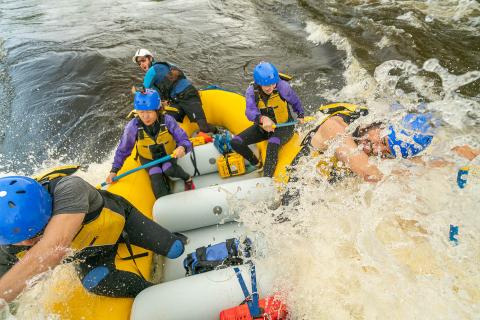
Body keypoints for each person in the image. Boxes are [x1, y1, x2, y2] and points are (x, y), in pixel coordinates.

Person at [0, 168, 187, 302]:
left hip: (123, 225)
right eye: (19, 241)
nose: (26, 243)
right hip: (91, 254)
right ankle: (153, 293)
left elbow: (53, 248)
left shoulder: (69, 189)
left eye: (34, 236)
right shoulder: (7, 243)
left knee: (175, 248)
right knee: (95, 283)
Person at [292, 103, 435, 183]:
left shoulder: (372, 145)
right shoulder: (335, 126)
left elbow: (412, 164)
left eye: (387, 153)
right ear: (382, 124)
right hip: (292, 177)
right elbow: (368, 172)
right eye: (383, 140)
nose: (377, 149)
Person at [107, 89, 195, 199]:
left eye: (149, 112)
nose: (145, 117)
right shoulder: (132, 127)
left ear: (157, 110)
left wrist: (182, 147)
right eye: (141, 112)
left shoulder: (168, 121)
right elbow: (123, 149)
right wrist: (114, 170)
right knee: (156, 179)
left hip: (168, 155)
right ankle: (166, 201)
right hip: (148, 159)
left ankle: (187, 179)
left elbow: (184, 140)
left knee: (169, 169)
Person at [230, 62, 305, 177]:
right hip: (263, 128)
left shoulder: (283, 87)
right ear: (259, 83)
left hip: (284, 127)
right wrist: (262, 119)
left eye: (273, 84)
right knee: (236, 142)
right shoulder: (251, 92)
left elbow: (295, 102)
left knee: (272, 144)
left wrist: (300, 115)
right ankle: (257, 164)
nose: (271, 87)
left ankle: (266, 179)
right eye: (267, 85)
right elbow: (249, 112)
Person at [132, 48, 216, 133]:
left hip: (188, 96)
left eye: (143, 60)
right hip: (177, 100)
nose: (142, 64)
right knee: (165, 118)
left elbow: (144, 92)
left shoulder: (151, 72)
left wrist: (135, 92)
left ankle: (217, 132)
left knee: (204, 128)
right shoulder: (167, 65)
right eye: (139, 63)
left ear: (150, 58)